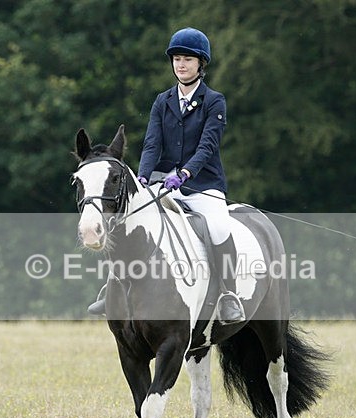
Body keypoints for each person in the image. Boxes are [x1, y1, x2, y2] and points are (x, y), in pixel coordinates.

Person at [89, 27, 245, 324]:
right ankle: (111, 286)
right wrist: (145, 177)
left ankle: (229, 294)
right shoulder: (162, 101)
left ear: (201, 64)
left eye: (187, 59)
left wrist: (185, 172)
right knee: (128, 220)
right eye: (176, 59)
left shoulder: (214, 101)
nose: (181, 64)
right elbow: (152, 143)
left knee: (218, 226)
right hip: (162, 182)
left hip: (202, 184)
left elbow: (208, 145)